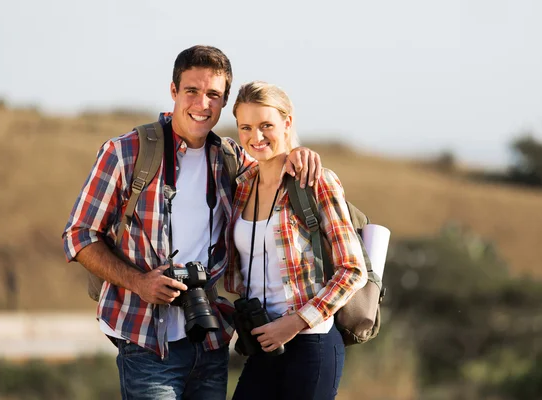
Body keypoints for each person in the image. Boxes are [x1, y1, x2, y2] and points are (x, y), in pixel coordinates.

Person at [62, 46, 322, 400]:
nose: (202, 104)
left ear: (224, 101)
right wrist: (139, 283)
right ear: (173, 91)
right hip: (145, 340)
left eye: (213, 94)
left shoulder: (230, 159)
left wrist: (296, 152)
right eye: (192, 91)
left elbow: (270, 156)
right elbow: (78, 236)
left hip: (210, 338)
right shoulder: (126, 152)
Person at [224, 81, 368, 400]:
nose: (255, 137)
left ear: (287, 123)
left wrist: (293, 323)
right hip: (261, 339)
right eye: (245, 127)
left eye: (266, 125)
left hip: (310, 341)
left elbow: (352, 270)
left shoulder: (315, 181)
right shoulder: (243, 186)